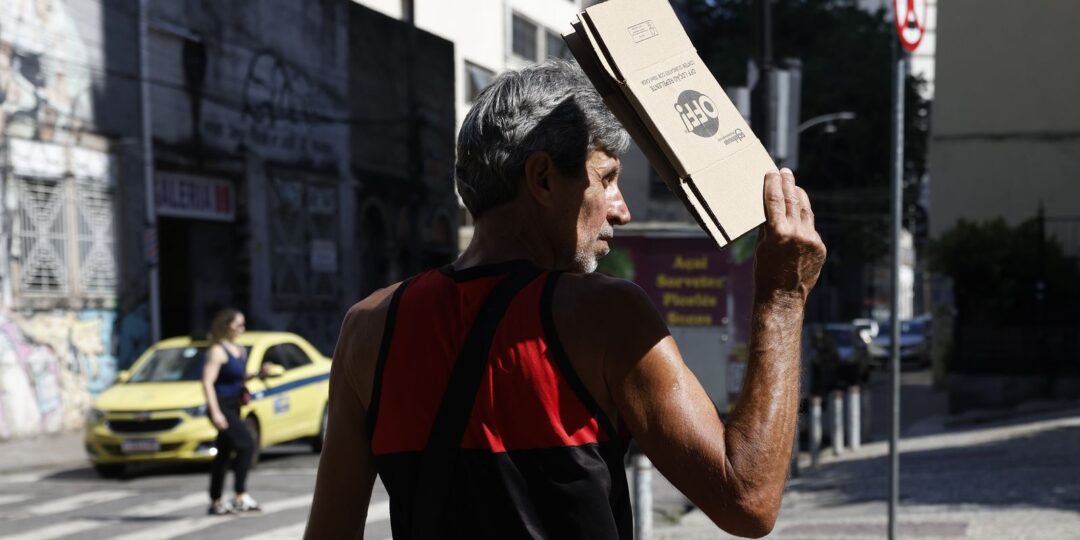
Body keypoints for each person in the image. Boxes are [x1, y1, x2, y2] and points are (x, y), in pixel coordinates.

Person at [305, 60, 826, 539]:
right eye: (607, 179)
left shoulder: (370, 325)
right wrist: (782, 298)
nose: (619, 211)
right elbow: (748, 499)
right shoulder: (605, 317)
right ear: (543, 178)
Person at [201, 308, 268, 515]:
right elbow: (207, 382)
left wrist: (257, 374)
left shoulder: (239, 350)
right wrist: (216, 412)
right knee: (247, 445)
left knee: (223, 454)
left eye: (243, 324)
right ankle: (240, 495)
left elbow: (237, 378)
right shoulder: (217, 351)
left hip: (234, 405)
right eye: (238, 324)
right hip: (220, 406)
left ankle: (215, 501)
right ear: (226, 326)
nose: (242, 329)